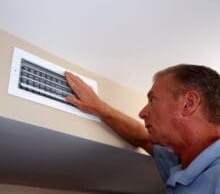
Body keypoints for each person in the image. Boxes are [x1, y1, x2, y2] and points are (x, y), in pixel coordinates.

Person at [64, 64, 220, 193]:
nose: (142, 113)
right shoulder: (176, 163)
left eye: (152, 99)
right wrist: (99, 108)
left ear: (188, 104)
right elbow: (142, 137)